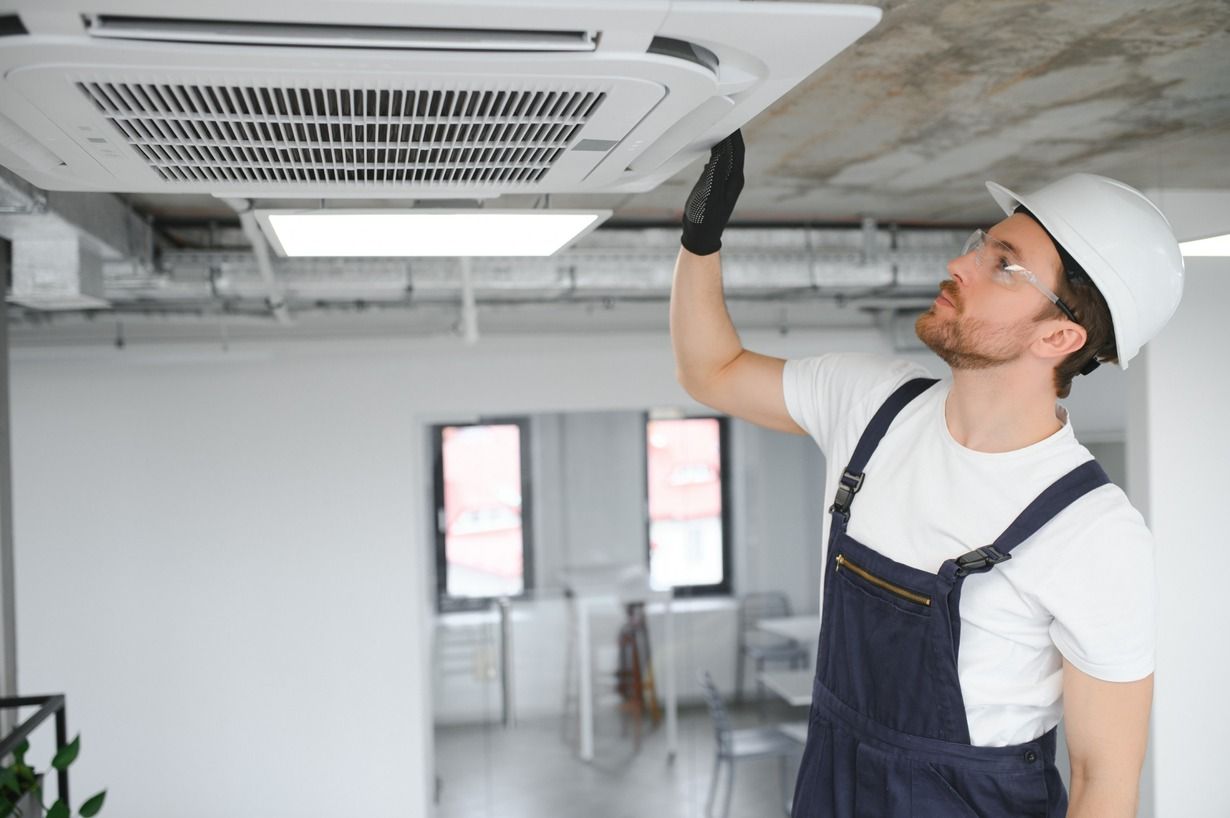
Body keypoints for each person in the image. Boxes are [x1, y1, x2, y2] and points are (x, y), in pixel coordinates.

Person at [670, 130, 1184, 818]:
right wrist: (700, 239)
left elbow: (1104, 781)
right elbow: (714, 371)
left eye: (1004, 265)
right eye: (982, 243)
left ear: (1059, 337)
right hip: (831, 780)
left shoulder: (1094, 532)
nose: (960, 263)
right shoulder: (874, 402)